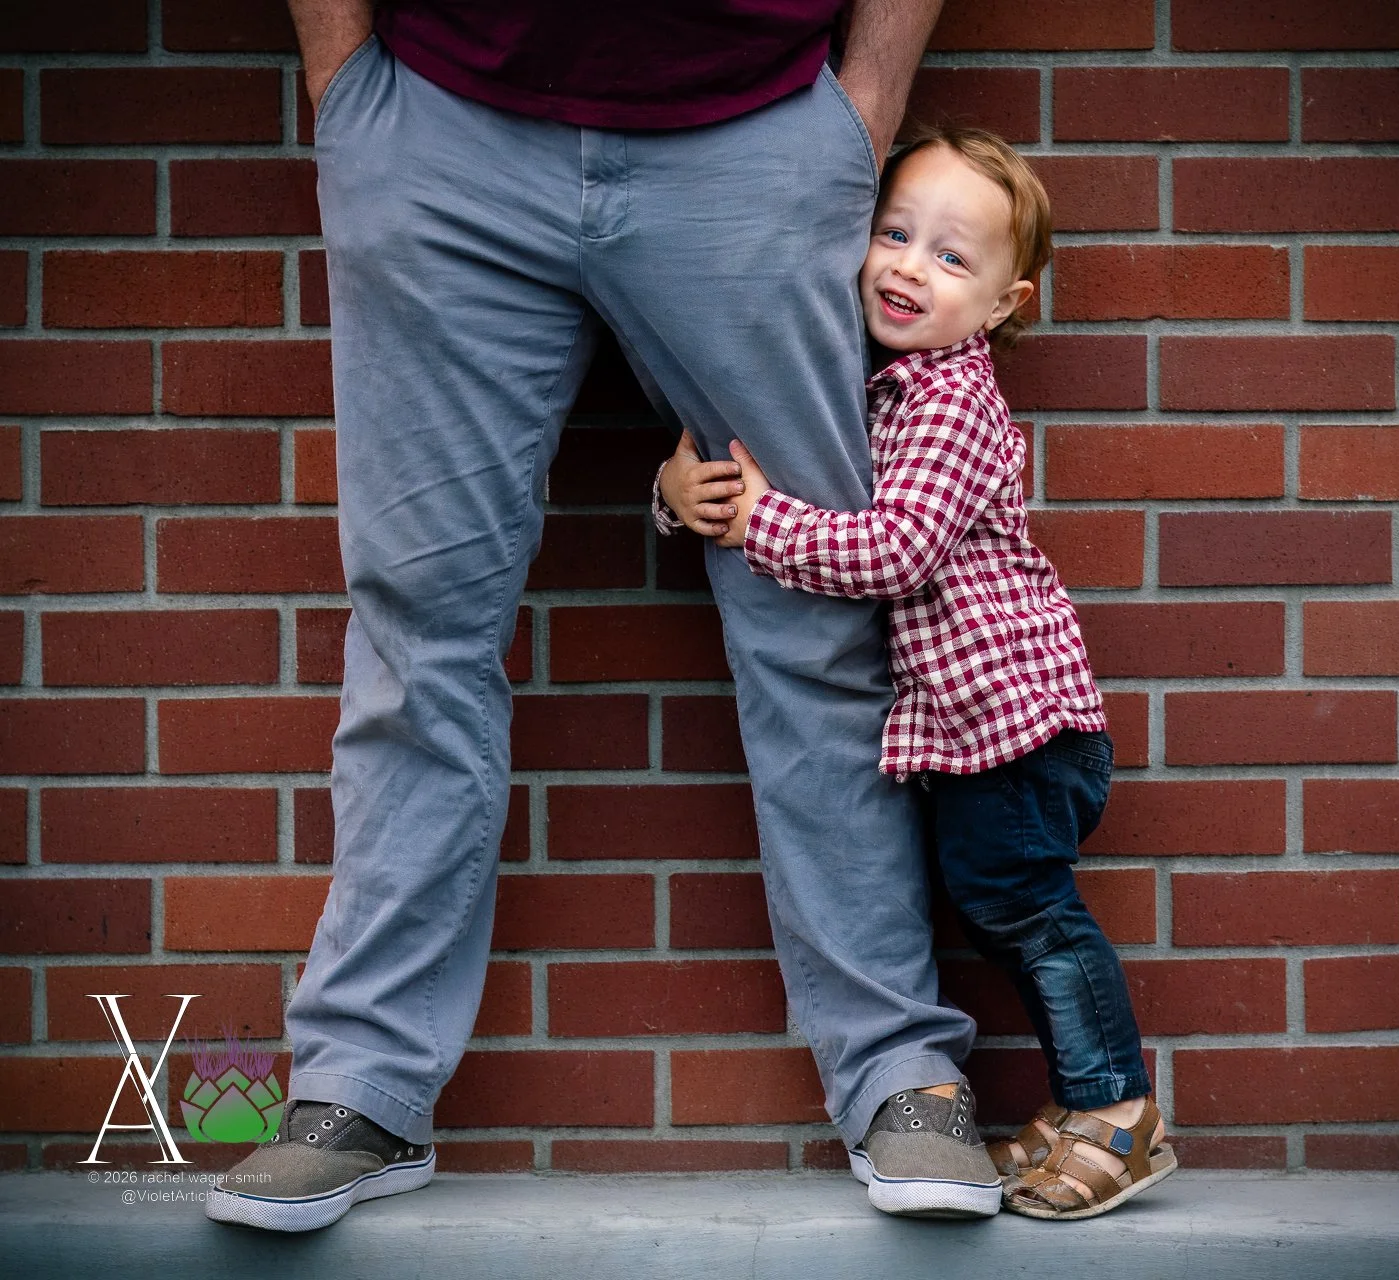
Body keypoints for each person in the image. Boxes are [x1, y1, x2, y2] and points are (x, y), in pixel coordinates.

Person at [208, 0, 1000, 1232]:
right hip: (438, 127)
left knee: (815, 615)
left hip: (756, 134)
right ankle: (358, 1081)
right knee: (420, 622)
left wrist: (865, 107)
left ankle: (900, 1064)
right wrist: (345, 85)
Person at [657, 127, 1177, 1220]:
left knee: (1024, 909)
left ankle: (1116, 1108)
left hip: (1022, 728)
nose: (906, 266)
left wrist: (756, 521)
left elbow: (893, 550)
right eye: (893, 234)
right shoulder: (884, 385)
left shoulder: (948, 400)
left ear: (1001, 303)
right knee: (1000, 904)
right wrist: (681, 495)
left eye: (950, 257)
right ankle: (1089, 1100)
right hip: (980, 728)